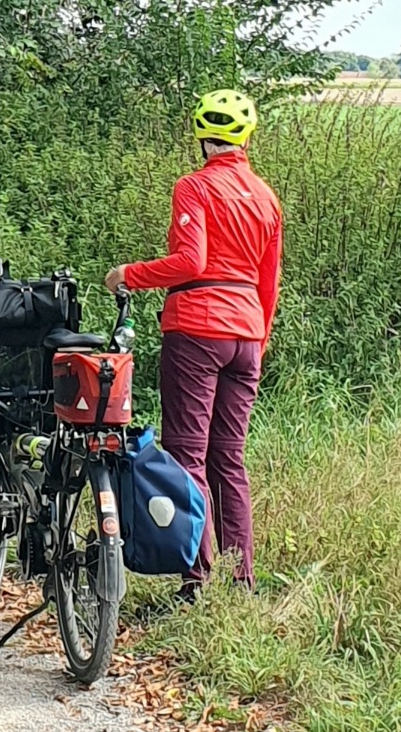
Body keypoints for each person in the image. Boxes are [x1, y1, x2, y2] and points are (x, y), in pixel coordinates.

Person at [105, 89, 282, 598]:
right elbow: (269, 283)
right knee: (230, 457)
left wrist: (128, 275)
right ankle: (242, 579)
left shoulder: (195, 187)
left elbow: (190, 262)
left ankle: (197, 580)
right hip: (246, 333)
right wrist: (258, 341)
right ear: (247, 136)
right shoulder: (267, 197)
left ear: (203, 137)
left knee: (189, 455)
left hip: (198, 328)